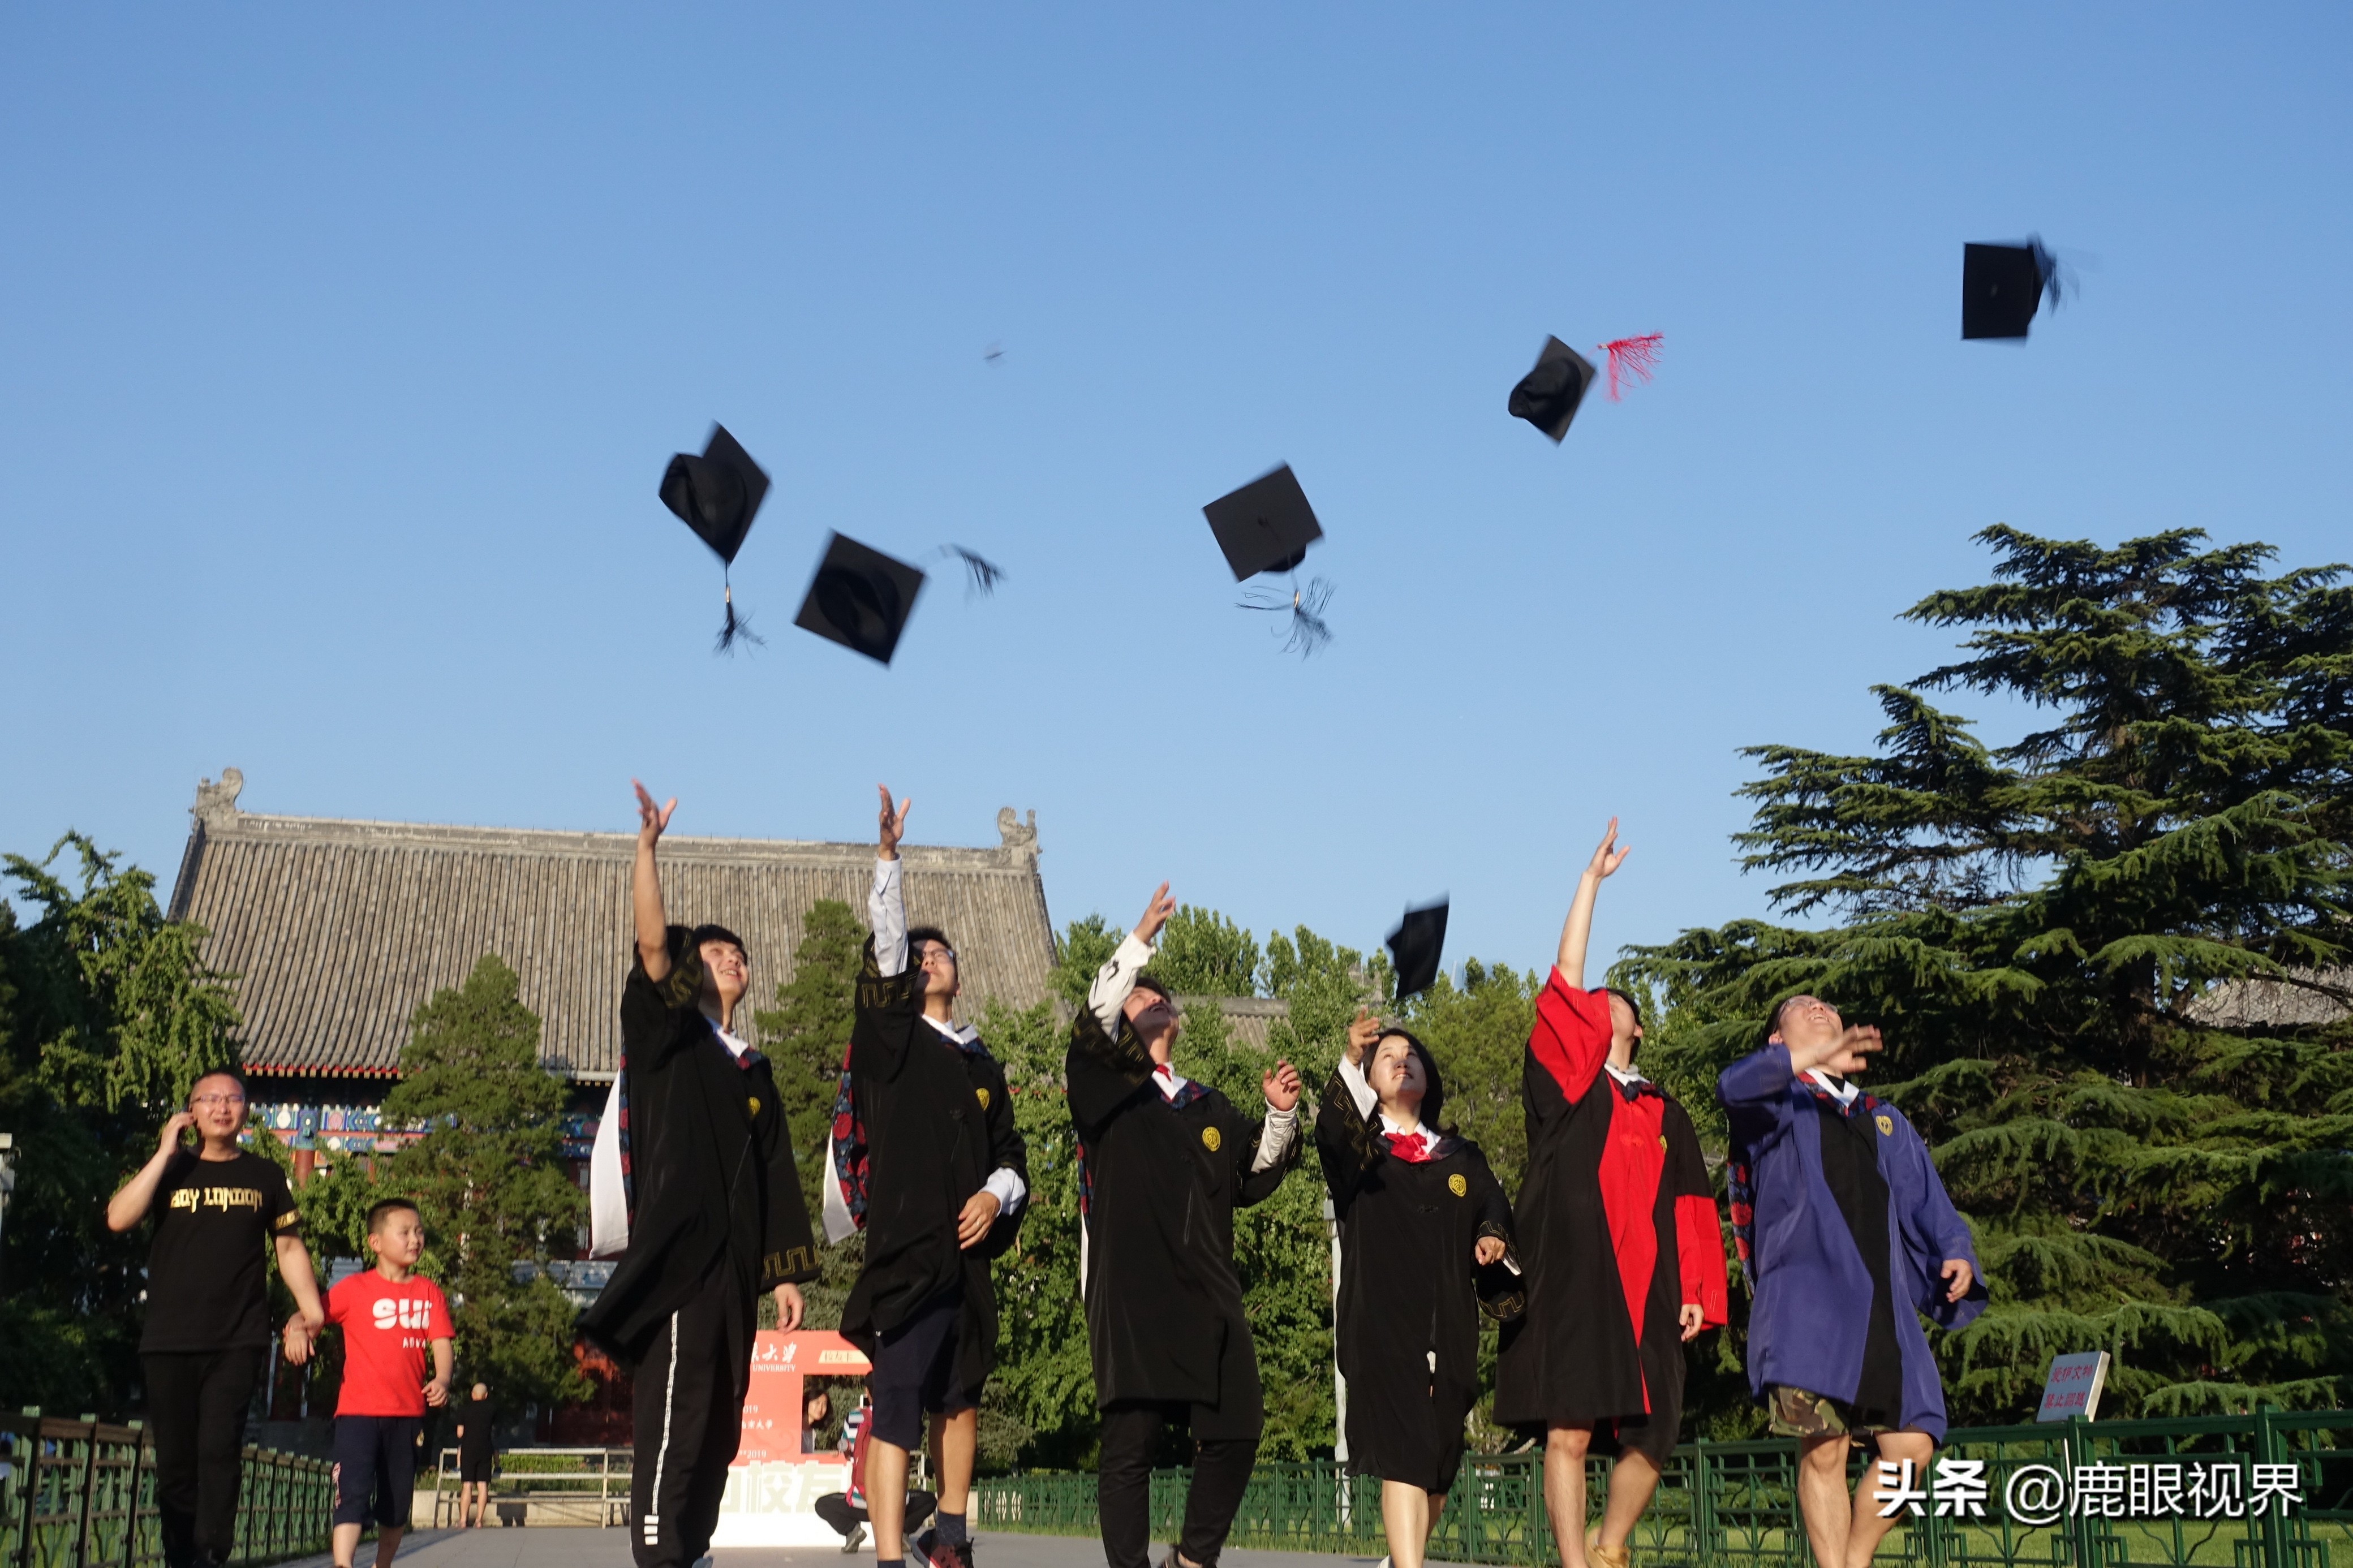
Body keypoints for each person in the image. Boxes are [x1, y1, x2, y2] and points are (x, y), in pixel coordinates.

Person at [579, 782, 822, 1568]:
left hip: (733, 1275)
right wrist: (646, 852)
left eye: (740, 956)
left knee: (719, 1425)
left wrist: (785, 1273)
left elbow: (776, 1176)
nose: (732, 962)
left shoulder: (753, 1071)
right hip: (680, 1264)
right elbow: (654, 950)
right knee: (676, 1422)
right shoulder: (668, 1041)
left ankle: (690, 1551)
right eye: (715, 953)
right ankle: (656, 1553)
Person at [1491, 822, 1730, 1568]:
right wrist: (1588, 883)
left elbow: (1693, 1206)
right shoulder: (1569, 1085)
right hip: (1576, 1276)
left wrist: (1697, 1288)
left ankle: (1608, 1544)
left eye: (1612, 1002)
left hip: (1649, 1289)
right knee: (1566, 1428)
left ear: (1634, 1027)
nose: (1599, 1004)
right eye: (1592, 1003)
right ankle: (1571, 1563)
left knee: (1655, 1434)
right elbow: (1564, 976)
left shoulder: (1663, 1110)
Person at [1067, 882, 1305, 1568]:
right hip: (1133, 1289)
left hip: (1208, 1287)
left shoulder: (1208, 1107)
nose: (1152, 1001)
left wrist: (1280, 1114)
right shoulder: (1104, 1089)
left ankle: (1193, 1559)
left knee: (1239, 1426)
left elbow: (1251, 1175)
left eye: (1160, 998)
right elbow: (1093, 1016)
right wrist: (1138, 941)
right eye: (1141, 996)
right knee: (1130, 1444)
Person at [825, 787, 1029, 1568]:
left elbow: (1012, 1157)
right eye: (919, 955)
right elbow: (883, 956)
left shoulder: (982, 1063)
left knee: (960, 1399)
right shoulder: (894, 1046)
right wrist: (887, 861)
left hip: (968, 1259)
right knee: (898, 1405)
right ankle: (884, 1555)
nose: (931, 958)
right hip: (908, 1253)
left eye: (941, 951)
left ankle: (948, 1538)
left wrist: (993, 1193)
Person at [1718, 993, 1986, 1568]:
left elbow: (1927, 1202)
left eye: (1828, 1009)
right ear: (1775, 1040)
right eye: (1802, 1008)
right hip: (1806, 1309)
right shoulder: (1774, 1103)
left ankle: (1854, 1559)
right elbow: (1732, 1086)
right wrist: (1798, 1060)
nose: (1820, 1009)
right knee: (1824, 1452)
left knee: (1913, 1448)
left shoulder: (1881, 1117)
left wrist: (1954, 1251)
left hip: (1884, 1313)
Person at [1317, 1012, 1518, 1568]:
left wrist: (1490, 1235)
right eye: (1388, 1055)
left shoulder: (1462, 1158)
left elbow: (1492, 1205)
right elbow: (1331, 1134)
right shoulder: (1362, 1153)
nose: (1400, 1059)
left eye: (1410, 1054)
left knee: (1439, 1462)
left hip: (1448, 1323)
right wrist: (1352, 1059)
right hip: (1382, 1323)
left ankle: (1403, 1559)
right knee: (1406, 1452)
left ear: (1427, 1078)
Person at [106, 1068, 326, 1568]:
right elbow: (118, 1217)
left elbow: (288, 1246)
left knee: (220, 1450)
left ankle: (212, 1555)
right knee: (176, 1464)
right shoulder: (170, 1171)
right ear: (193, 1111)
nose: (222, 1108)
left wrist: (310, 1312)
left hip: (237, 1338)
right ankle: (181, 1557)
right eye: (210, 1099)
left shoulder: (265, 1175)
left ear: (246, 1110)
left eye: (232, 1099)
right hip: (168, 1340)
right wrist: (164, 1152)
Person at [283, 1198, 453, 1568]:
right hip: (357, 1414)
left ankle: (382, 1565)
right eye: (405, 1232)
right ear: (375, 1242)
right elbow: (311, 1313)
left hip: (408, 1416)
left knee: (395, 1503)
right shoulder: (353, 1289)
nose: (415, 1239)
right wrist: (297, 1328)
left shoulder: (429, 1292)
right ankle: (343, 1564)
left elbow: (441, 1342)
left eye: (419, 1232)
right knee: (352, 1495)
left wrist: (442, 1378)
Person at [815, 1389, 936, 1557]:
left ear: (867, 1392)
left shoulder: (854, 1417)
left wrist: (843, 1447)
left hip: (860, 1504)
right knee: (929, 1500)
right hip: (895, 1504)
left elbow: (847, 1450)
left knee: (823, 1504)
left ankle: (852, 1531)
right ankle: (901, 1532)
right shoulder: (900, 1417)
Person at [455, 1384, 495, 1528]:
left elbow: (460, 1433)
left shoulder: (464, 1409)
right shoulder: (491, 1409)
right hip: (485, 1448)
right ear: (486, 1396)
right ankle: (479, 1520)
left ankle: (463, 1520)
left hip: (468, 1449)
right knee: (483, 1485)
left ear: (472, 1394)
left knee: (467, 1485)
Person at [803, 1386, 834, 1455]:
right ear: (807, 1403)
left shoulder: (812, 1433)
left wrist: (829, 1455)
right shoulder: (794, 1428)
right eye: (817, 1403)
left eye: (824, 1405)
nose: (820, 1408)